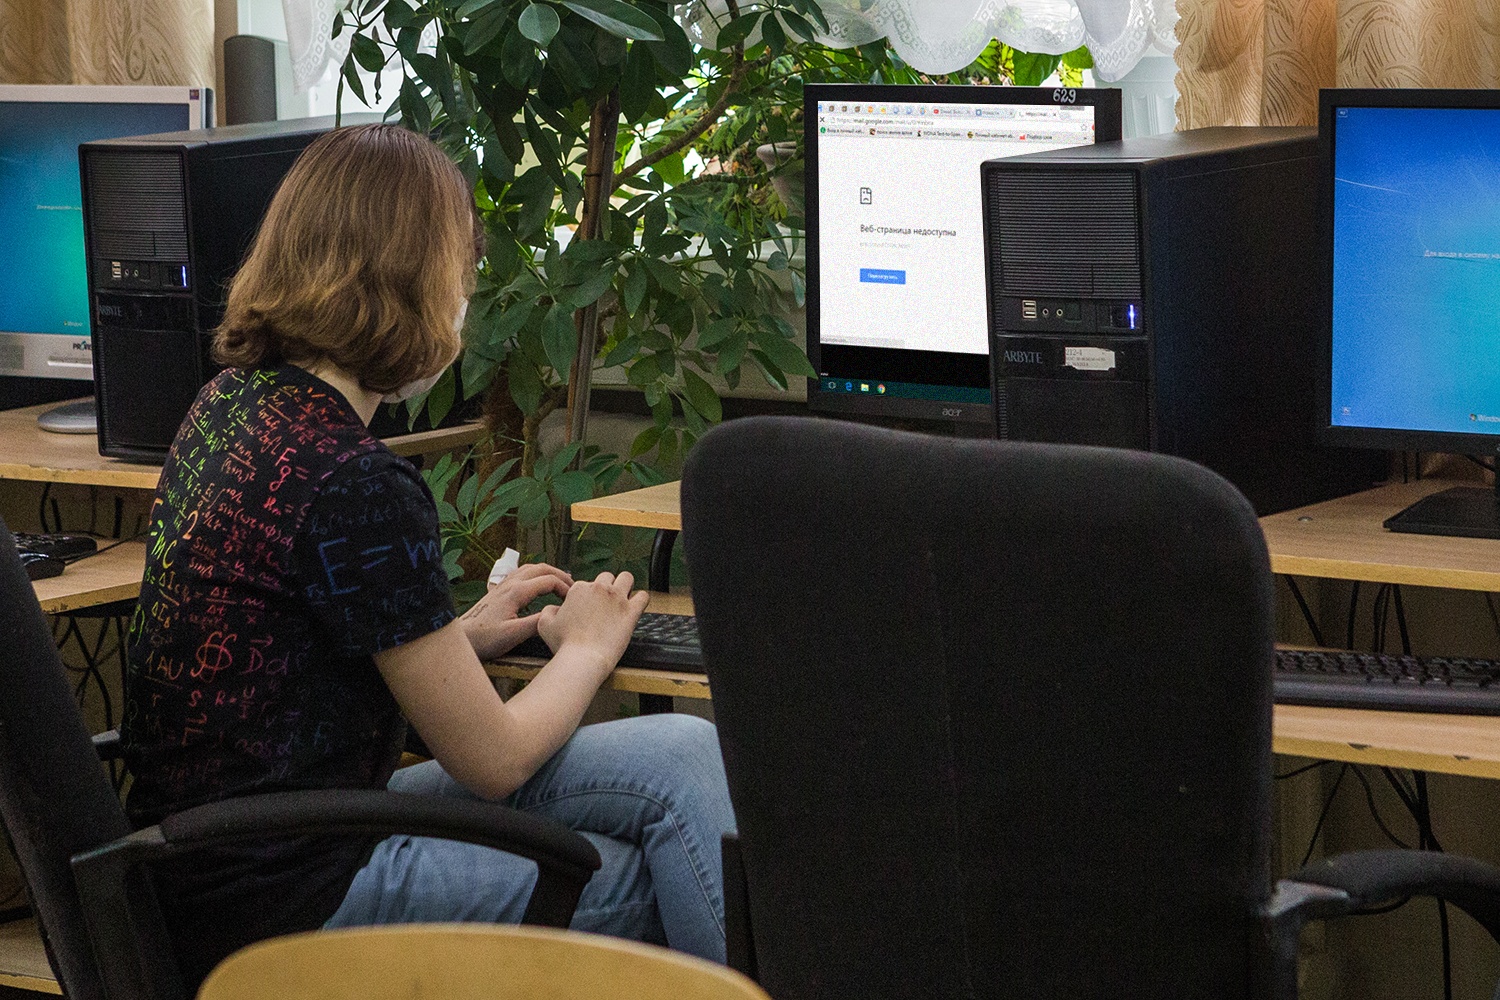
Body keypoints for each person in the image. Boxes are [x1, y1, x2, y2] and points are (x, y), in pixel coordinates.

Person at [120, 123, 735, 986]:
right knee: (640, 876)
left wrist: (457, 637)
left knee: (683, 758)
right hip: (287, 893)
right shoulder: (355, 479)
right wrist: (590, 649)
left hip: (218, 853)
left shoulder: (229, 405)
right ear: (413, 284)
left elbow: (293, 650)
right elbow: (494, 761)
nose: (464, 298)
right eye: (459, 275)